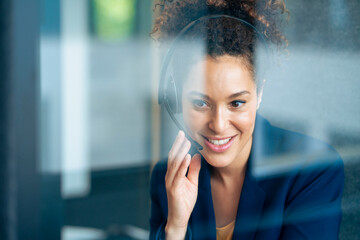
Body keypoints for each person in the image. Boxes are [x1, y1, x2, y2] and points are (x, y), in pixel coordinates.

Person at [149, 0, 344, 239]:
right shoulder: (168, 178)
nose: (219, 125)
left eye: (236, 103)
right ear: (177, 98)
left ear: (259, 93)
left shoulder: (312, 170)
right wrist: (176, 227)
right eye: (201, 103)